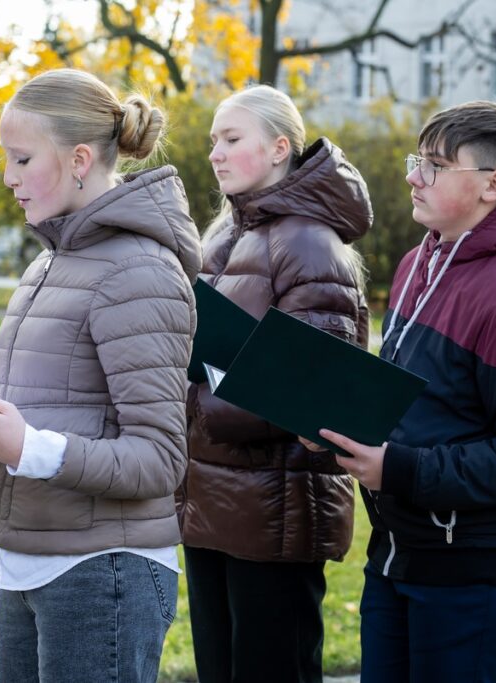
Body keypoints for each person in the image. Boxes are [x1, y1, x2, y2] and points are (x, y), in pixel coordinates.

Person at [0, 68, 202, 682]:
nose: (8, 177)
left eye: (22, 158)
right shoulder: (49, 265)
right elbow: (49, 423)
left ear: (80, 159)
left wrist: (30, 447)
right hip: (29, 560)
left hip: (105, 572)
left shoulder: (140, 271)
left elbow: (161, 460)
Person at [307, 101, 496, 683]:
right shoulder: (417, 263)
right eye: (416, 160)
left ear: (492, 184)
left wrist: (399, 470)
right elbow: (411, 403)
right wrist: (335, 419)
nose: (413, 176)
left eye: (433, 165)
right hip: (401, 551)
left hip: (474, 569)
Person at [176, 84, 372, 682]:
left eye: (232, 139)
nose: (216, 153)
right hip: (211, 500)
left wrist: (202, 395)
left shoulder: (310, 245)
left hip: (276, 511)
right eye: (213, 141)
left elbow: (316, 393)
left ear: (280, 147)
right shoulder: (220, 237)